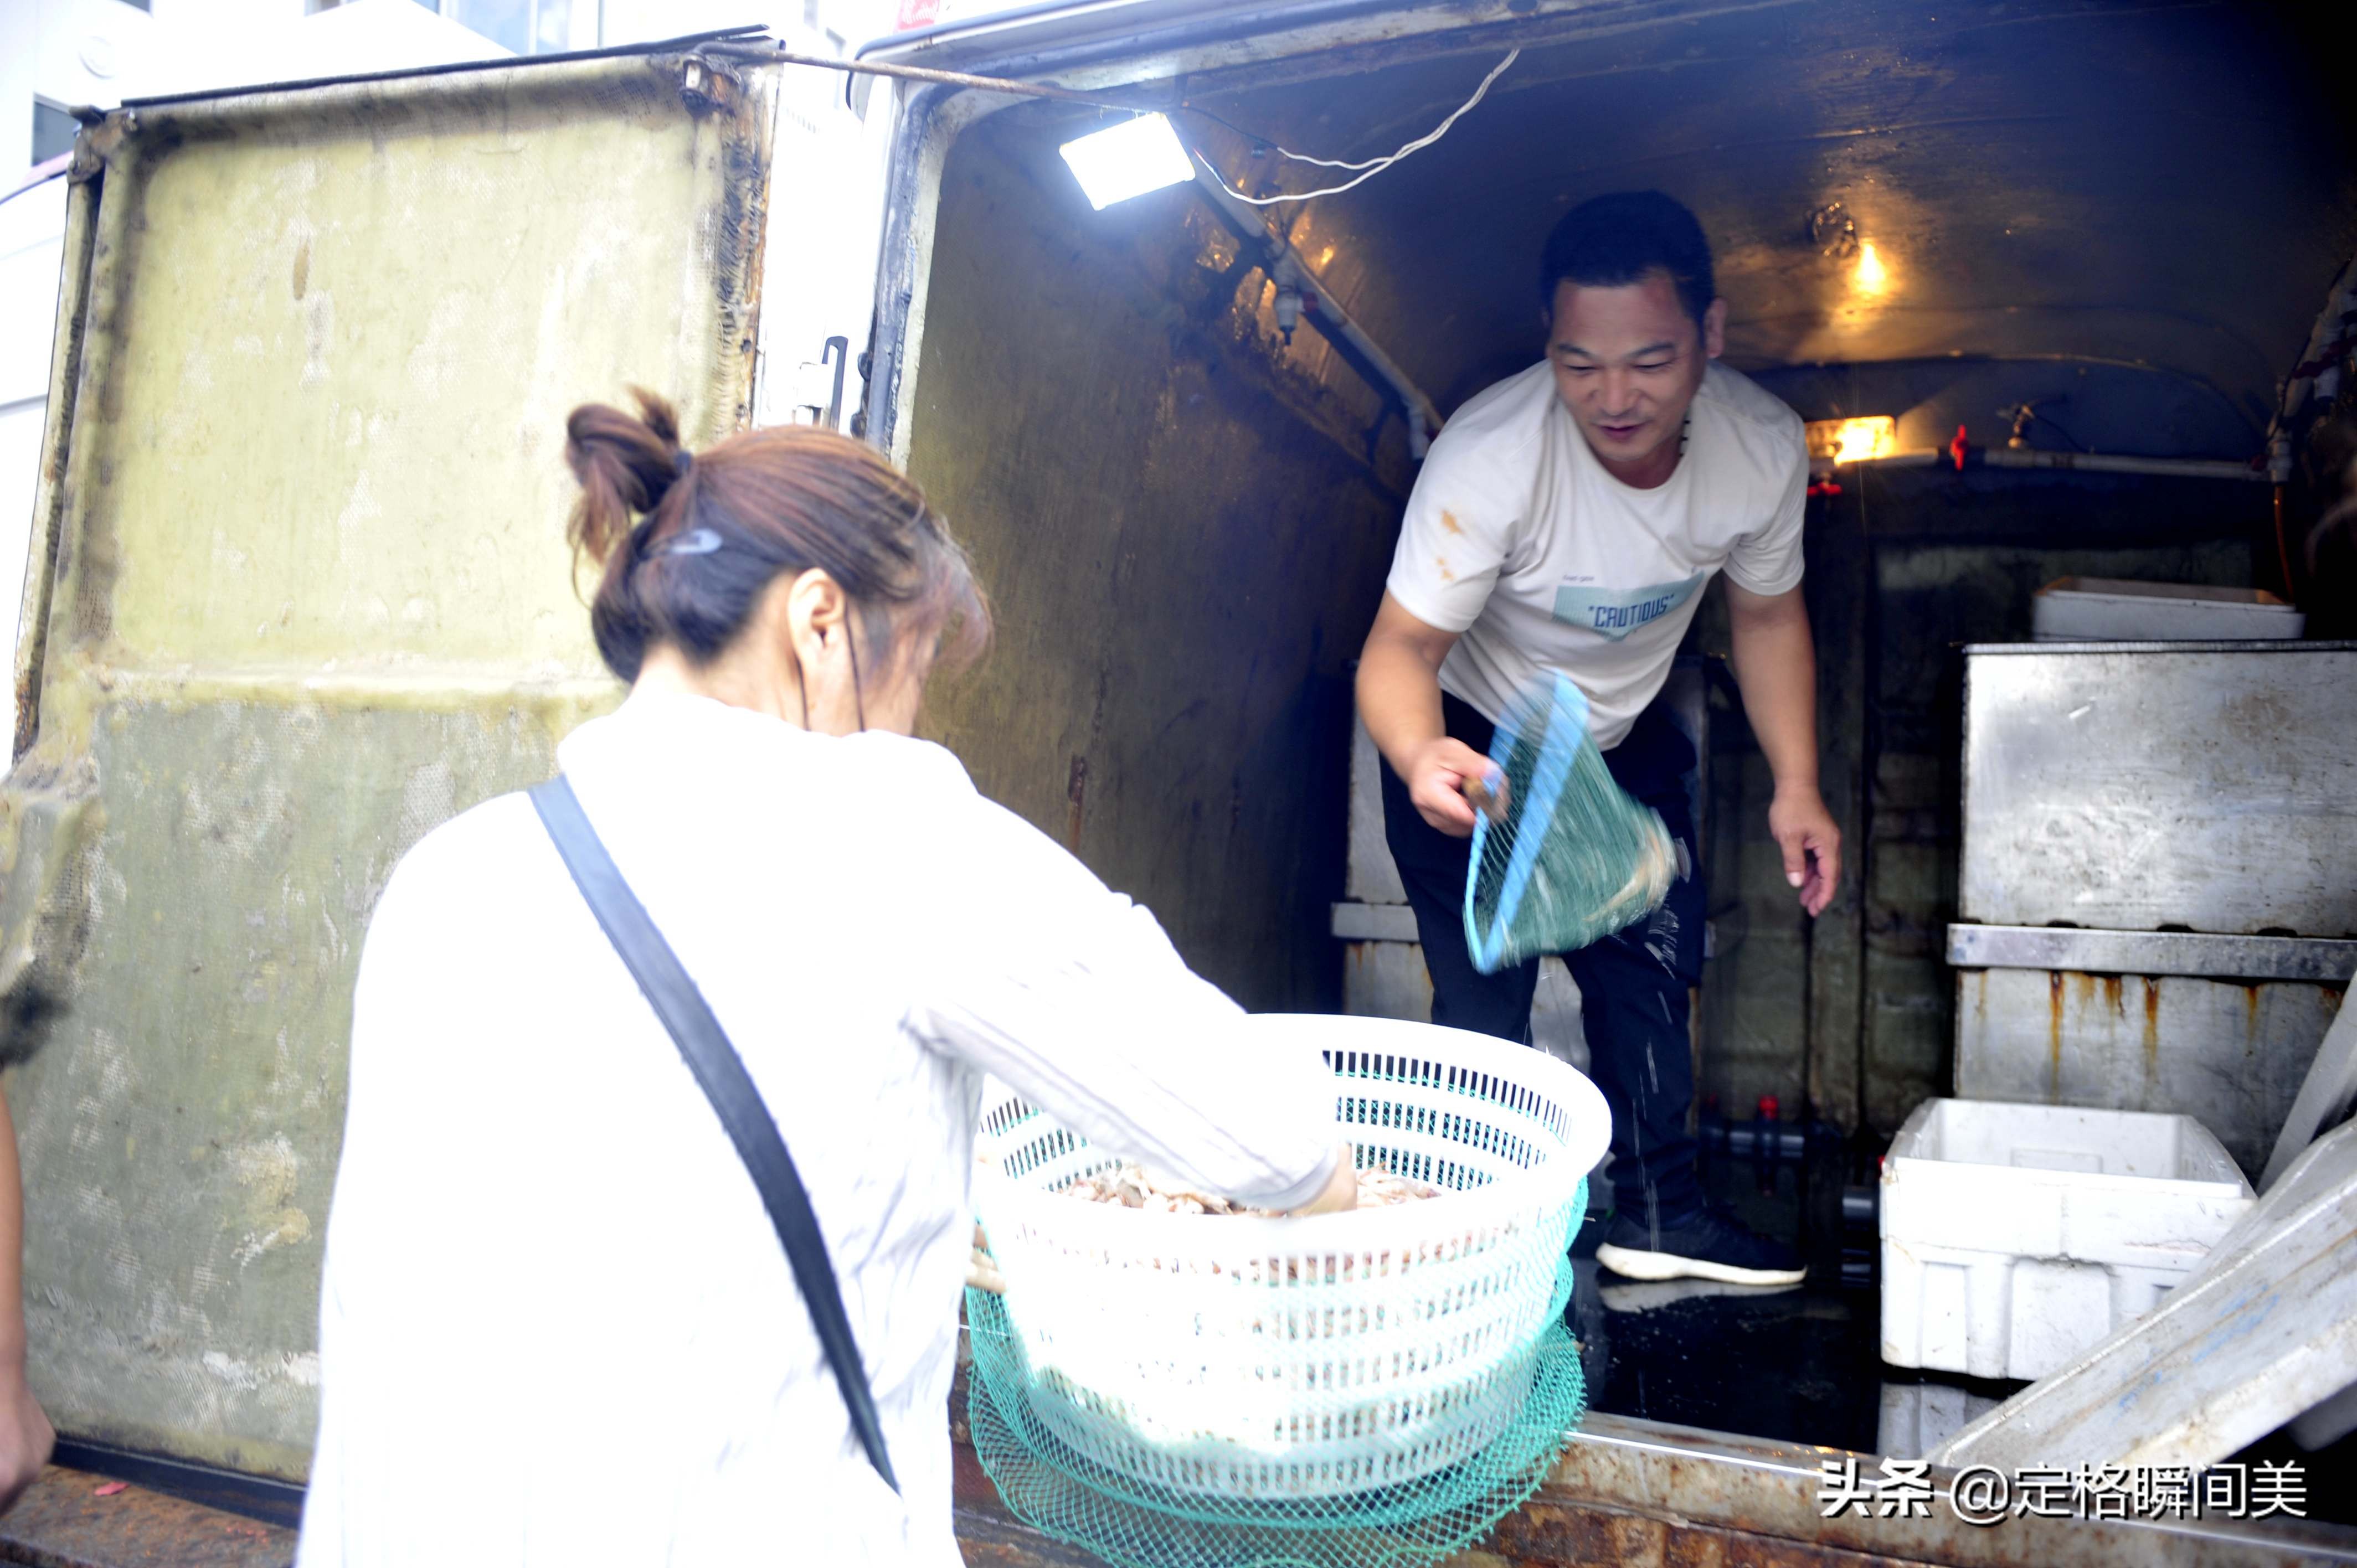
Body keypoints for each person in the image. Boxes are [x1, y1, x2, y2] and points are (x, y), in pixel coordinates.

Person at [297, 394, 1356, 1566]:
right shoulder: (895, 833)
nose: (905, 725)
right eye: (909, 677)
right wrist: (1349, 1202)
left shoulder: (448, 880)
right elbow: (1272, 1140)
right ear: (817, 621)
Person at [1356, 190, 1839, 1288]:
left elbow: (1766, 617)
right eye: (1581, 365)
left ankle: (1661, 1214)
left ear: (1709, 337)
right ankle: (1467, 1243)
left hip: (1615, 739)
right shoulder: (1491, 458)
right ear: (1549, 346)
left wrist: (1797, 785)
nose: (1614, 399)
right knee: (1485, 999)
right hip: (1475, 740)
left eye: (1651, 363)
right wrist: (1419, 753)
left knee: (1652, 964)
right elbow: (1395, 649)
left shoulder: (1760, 451)